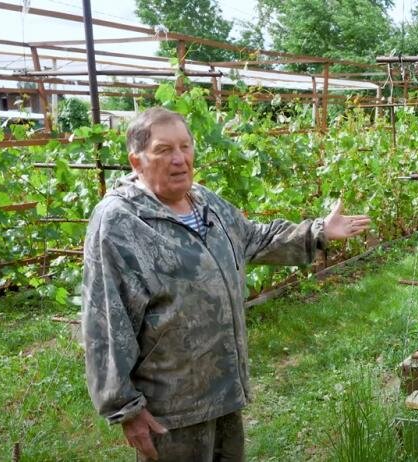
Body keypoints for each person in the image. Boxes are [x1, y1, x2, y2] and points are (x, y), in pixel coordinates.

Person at [82, 107, 371, 461]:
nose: (179, 159)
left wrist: (318, 231)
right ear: (136, 160)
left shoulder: (205, 203)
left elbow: (255, 239)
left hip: (223, 391)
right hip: (171, 409)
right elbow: (106, 320)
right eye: (164, 150)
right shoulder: (119, 222)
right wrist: (126, 408)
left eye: (185, 147)